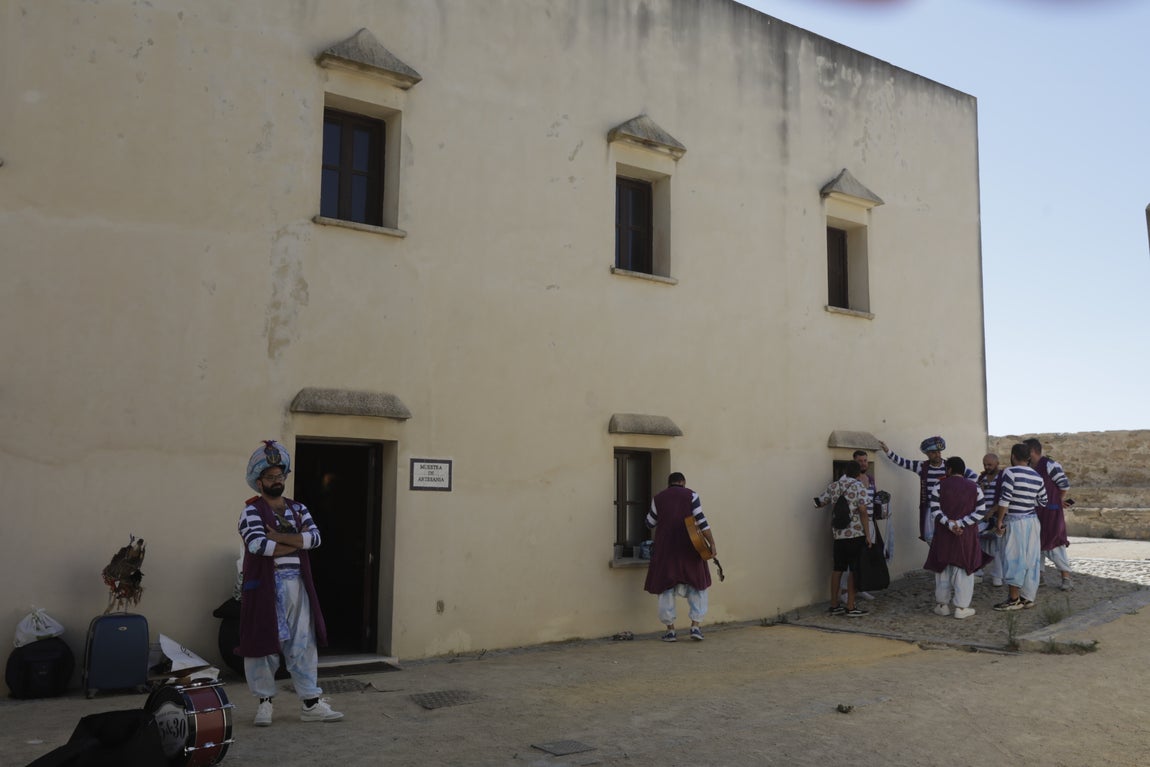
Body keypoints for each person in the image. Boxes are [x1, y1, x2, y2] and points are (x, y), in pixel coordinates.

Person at [237, 440, 343, 725]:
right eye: (271, 477)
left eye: (280, 476)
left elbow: (316, 539)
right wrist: (297, 542)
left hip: (298, 585)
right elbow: (259, 546)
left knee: (303, 643)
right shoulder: (250, 512)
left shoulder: (299, 508)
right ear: (259, 481)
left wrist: (280, 537)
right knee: (263, 644)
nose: (277, 481)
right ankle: (264, 704)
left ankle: (310, 703)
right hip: (265, 589)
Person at [643, 472, 715, 642]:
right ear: (683, 482)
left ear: (669, 484)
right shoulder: (692, 495)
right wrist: (712, 544)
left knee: (665, 589)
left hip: (666, 550)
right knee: (698, 586)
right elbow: (702, 521)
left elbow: (649, 522)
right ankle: (695, 627)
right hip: (690, 548)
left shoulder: (658, 498)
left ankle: (670, 631)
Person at [924, 457, 988, 619]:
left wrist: (950, 524)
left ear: (949, 469)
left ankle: (942, 605)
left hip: (944, 535)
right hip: (965, 535)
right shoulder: (975, 488)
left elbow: (934, 510)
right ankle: (961, 607)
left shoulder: (938, 486)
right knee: (963, 570)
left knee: (942, 569)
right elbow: (980, 511)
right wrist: (961, 523)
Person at [879, 437, 978, 543]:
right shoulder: (922, 466)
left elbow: (973, 477)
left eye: (939, 452)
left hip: (948, 509)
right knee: (931, 539)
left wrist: (960, 491)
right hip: (930, 510)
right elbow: (903, 462)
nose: (938, 455)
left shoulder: (949, 466)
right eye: (933, 452)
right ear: (927, 453)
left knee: (948, 538)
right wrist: (887, 451)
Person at [991, 443, 1049, 611]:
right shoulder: (1037, 476)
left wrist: (1000, 520)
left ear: (1013, 456)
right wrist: (1028, 501)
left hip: (1015, 521)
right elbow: (1043, 501)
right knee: (1031, 559)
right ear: (1029, 457)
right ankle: (1028, 598)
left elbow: (1005, 499)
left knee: (1013, 558)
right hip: (1032, 521)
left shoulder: (1010, 472)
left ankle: (1013, 599)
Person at [813, 461, 872, 617]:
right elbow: (863, 511)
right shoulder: (859, 486)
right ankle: (851, 607)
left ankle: (834, 604)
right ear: (859, 473)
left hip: (838, 534)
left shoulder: (834, 486)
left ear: (845, 471)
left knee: (837, 569)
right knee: (854, 570)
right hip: (855, 534)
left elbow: (818, 503)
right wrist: (868, 535)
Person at [1025, 438, 1075, 591]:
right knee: (1035, 545)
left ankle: (1066, 578)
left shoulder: (1050, 465)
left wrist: (1057, 500)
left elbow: (1064, 485)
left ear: (1032, 451)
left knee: (1055, 544)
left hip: (1051, 512)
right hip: (1035, 512)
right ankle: (1039, 577)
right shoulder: (1028, 467)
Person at [976, 453, 1007, 587]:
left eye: (989, 464)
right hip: (982, 518)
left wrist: (993, 511)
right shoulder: (981, 478)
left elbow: (1004, 497)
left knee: (997, 548)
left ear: (997, 463)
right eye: (985, 464)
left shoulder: (1003, 477)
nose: (987, 467)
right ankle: (978, 572)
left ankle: (998, 577)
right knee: (980, 545)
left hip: (996, 518)